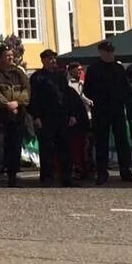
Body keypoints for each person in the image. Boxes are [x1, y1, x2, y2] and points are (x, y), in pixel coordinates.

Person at [28, 50, 82, 187]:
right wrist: (36, 116)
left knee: (65, 149)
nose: (53, 61)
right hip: (46, 118)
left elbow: (67, 96)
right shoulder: (37, 77)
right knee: (47, 150)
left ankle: (66, 177)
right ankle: (47, 178)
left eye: (54, 58)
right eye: (50, 59)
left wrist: (71, 114)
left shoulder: (60, 76)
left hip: (62, 116)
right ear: (43, 60)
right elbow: (34, 99)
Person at [84, 40, 132, 184]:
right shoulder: (93, 69)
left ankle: (125, 171)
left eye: (111, 52)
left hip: (117, 108)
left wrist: (123, 100)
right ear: (101, 52)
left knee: (122, 141)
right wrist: (99, 98)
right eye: (108, 52)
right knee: (101, 142)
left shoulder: (118, 68)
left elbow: (126, 87)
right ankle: (102, 172)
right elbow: (87, 89)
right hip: (101, 109)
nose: (110, 54)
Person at [0, 44, 30, 187]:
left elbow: (27, 90)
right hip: (0, 114)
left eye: (11, 55)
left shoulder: (19, 72)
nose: (10, 58)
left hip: (17, 114)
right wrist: (7, 104)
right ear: (0, 57)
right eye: (7, 55)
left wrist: (17, 102)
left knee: (14, 145)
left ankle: (13, 176)